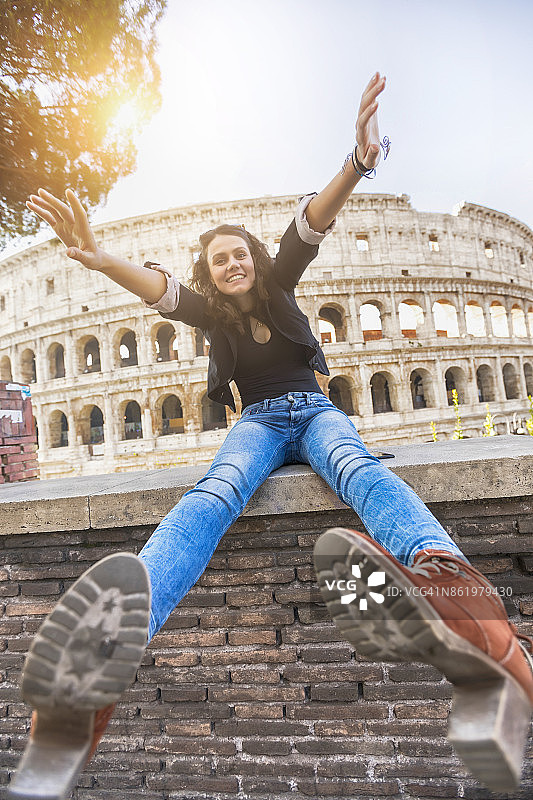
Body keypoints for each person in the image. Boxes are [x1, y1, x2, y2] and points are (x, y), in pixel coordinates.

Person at [8, 73, 532, 800]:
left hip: (312, 411)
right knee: (213, 494)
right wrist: (99, 259)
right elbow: (160, 291)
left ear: (253, 257)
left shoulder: (282, 282)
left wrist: (356, 160)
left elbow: (309, 224)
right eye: (219, 258)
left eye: (240, 252)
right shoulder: (211, 317)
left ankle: (452, 588)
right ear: (210, 274)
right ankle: (110, 648)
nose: (233, 261)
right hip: (256, 423)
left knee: (357, 468)